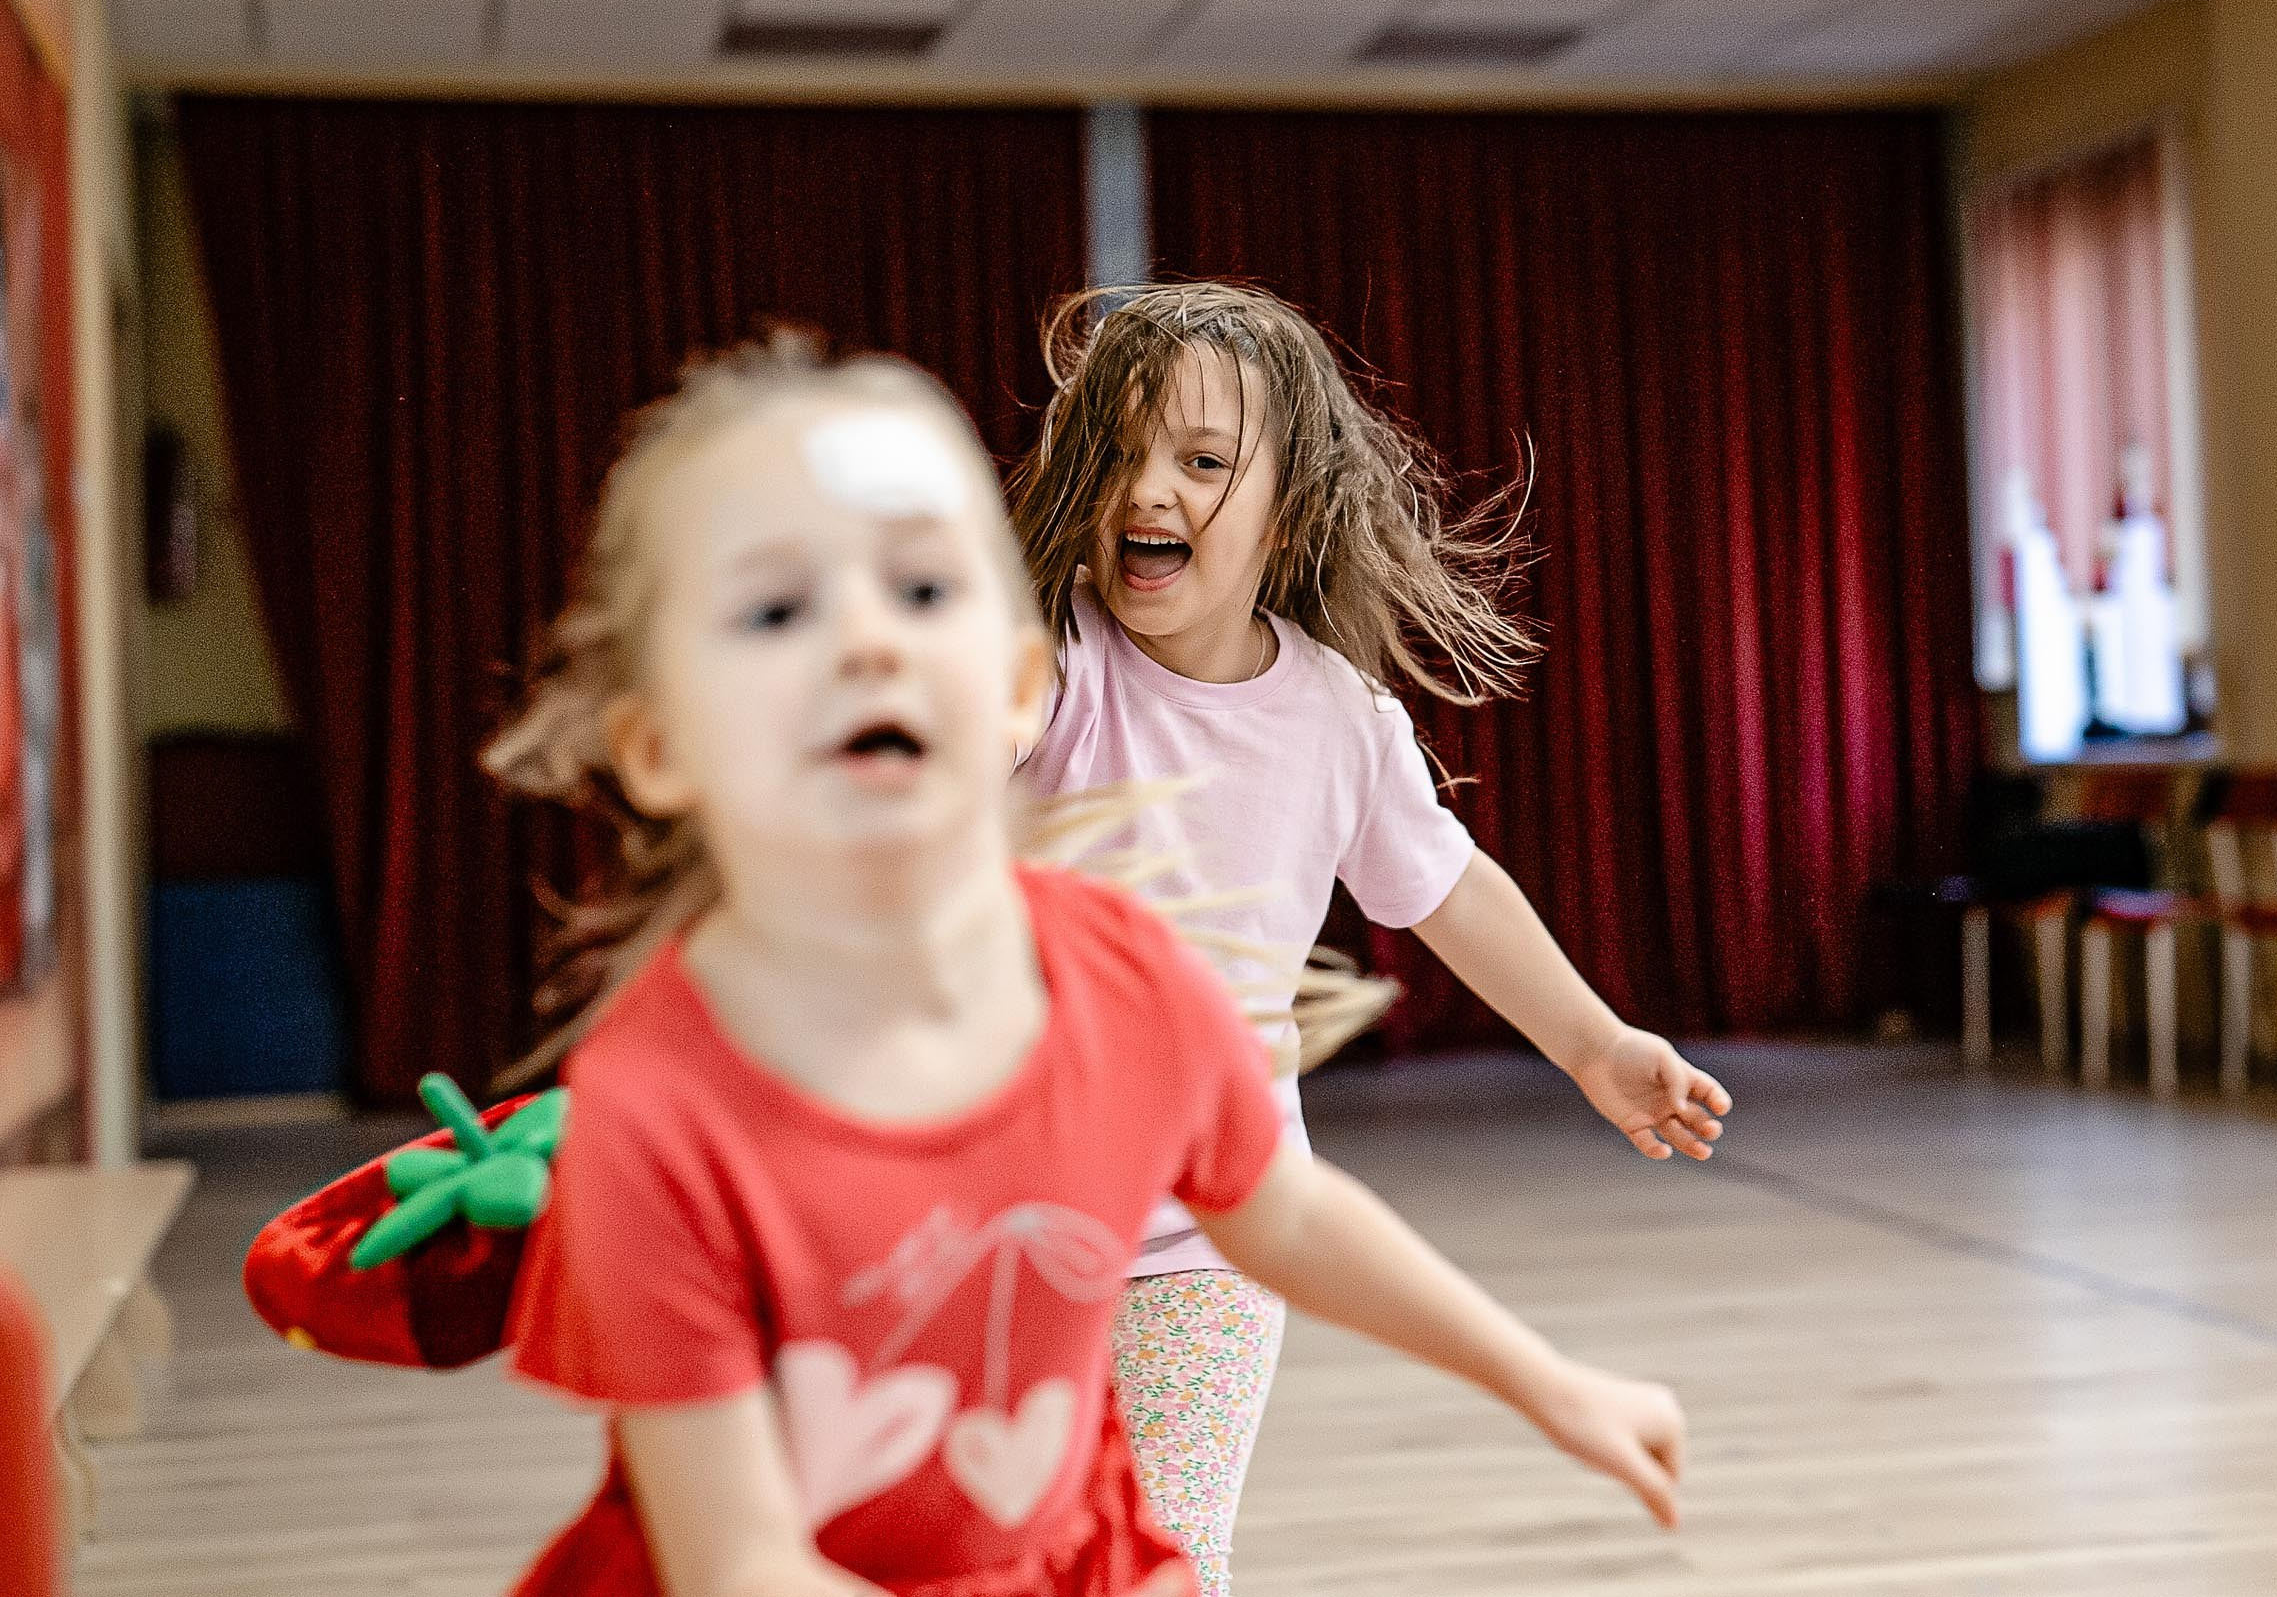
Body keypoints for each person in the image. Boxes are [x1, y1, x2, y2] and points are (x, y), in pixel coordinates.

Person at [482, 336, 1687, 1596]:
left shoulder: (1144, 954)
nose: (868, 641)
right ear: (656, 744)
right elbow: (738, 1564)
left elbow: (1289, 1199)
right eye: (780, 609)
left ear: (992, 675)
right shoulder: (663, 1114)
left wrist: (1546, 1371)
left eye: (922, 593)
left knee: (1174, 1556)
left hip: (1186, 1261)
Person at [1009, 281, 1734, 1592]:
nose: (1146, 488)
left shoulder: (1334, 718)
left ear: (1288, 507)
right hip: (995, 1231)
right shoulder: (1054, 663)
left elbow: (1447, 890)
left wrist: (1592, 1043)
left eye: (1202, 460)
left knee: (1166, 1569)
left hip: (1212, 1243)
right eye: (1114, 450)